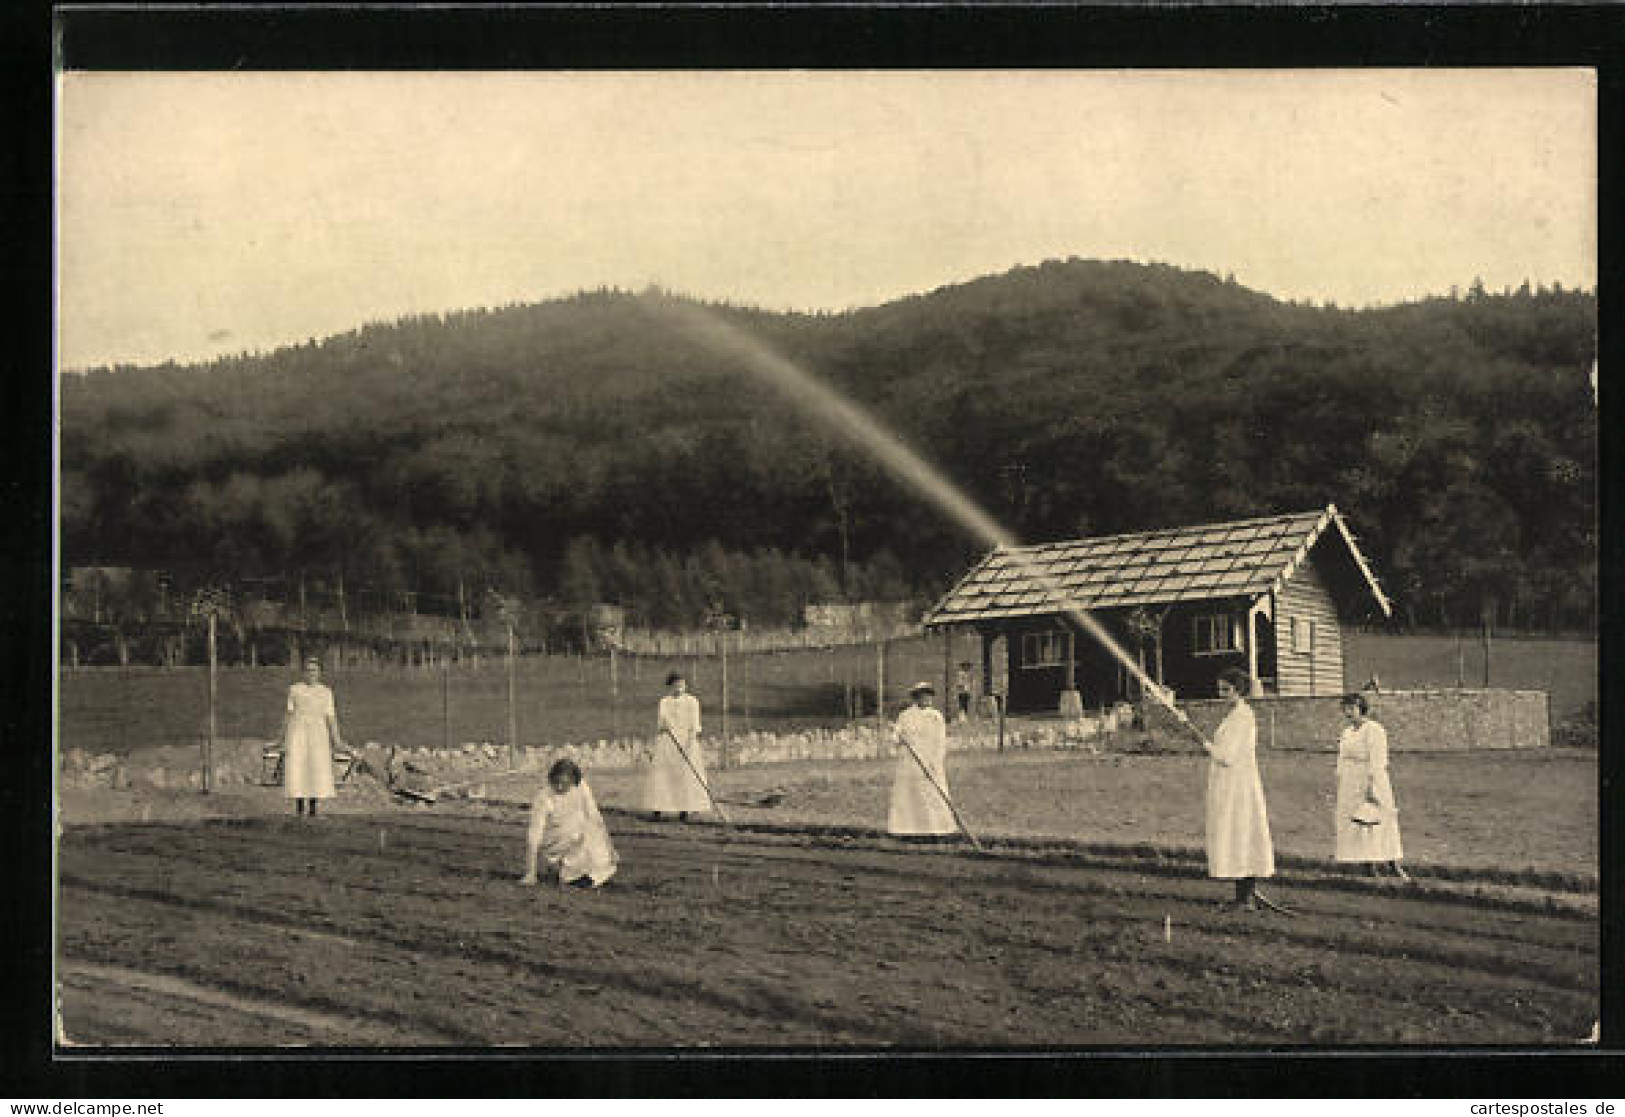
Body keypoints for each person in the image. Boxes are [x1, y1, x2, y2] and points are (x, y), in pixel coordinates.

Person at [1203, 666, 1275, 909]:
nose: (1222, 694)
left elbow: (1227, 756)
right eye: (1220, 689)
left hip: (1238, 785)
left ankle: (1245, 897)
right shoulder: (1234, 715)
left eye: (1227, 690)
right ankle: (1243, 895)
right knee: (1235, 834)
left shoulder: (1243, 717)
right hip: (1230, 783)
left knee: (1241, 833)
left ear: (1239, 691)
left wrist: (1206, 746)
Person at [1335, 692, 1409, 880]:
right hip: (1351, 783)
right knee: (1359, 825)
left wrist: (1372, 787)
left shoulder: (1374, 730)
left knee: (1381, 821)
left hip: (1372, 779)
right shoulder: (1347, 732)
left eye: (1352, 708)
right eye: (1345, 709)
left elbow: (1378, 761)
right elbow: (1342, 759)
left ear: (1362, 709)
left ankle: (1393, 864)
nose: (1348, 712)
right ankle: (1368, 866)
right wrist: (1342, 779)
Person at [520, 758, 618, 889]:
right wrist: (530, 873)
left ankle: (581, 876)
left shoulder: (581, 787)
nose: (559, 787)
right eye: (556, 782)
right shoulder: (544, 797)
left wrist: (610, 849)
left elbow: (595, 816)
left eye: (564, 784)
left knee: (596, 841)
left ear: (573, 782)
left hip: (576, 838)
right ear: (551, 779)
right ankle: (566, 872)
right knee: (575, 828)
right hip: (553, 843)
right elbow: (534, 836)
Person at [888, 681, 957, 838]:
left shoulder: (936, 717)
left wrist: (935, 762)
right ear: (916, 698)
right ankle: (907, 830)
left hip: (931, 760)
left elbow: (940, 741)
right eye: (922, 696)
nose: (926, 699)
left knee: (932, 795)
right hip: (910, 762)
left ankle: (938, 830)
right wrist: (898, 737)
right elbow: (896, 737)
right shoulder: (905, 715)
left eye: (928, 696)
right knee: (909, 795)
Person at [281, 656, 345, 818]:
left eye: (314, 670)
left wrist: (336, 739)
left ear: (319, 673)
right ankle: (300, 808)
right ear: (304, 672)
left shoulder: (325, 692)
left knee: (317, 767)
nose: (311, 674)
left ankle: (313, 808)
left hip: (318, 735)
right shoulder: (295, 689)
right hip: (298, 732)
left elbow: (331, 716)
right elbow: (288, 714)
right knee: (298, 767)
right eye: (308, 670)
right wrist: (281, 737)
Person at [642, 671, 711, 820]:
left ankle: (684, 809)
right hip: (668, 742)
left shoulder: (693, 701)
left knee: (685, 775)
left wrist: (690, 742)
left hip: (687, 741)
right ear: (670, 686)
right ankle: (658, 809)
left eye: (682, 684)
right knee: (663, 775)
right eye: (676, 685)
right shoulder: (664, 702)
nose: (679, 687)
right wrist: (665, 726)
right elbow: (661, 724)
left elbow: (695, 725)